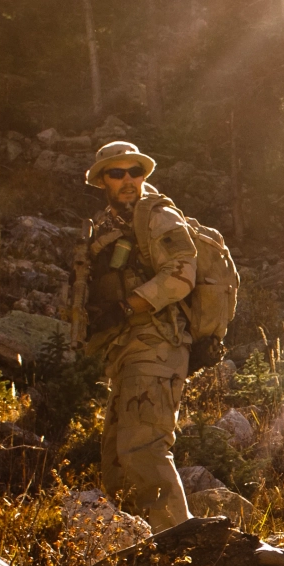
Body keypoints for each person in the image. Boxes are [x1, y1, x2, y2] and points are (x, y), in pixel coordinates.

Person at [68, 140, 198, 531]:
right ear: (101, 180)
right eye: (116, 173)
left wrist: (128, 305)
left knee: (144, 451)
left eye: (134, 172)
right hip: (124, 350)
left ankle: (183, 548)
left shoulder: (157, 216)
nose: (127, 180)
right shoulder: (104, 225)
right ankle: (141, 555)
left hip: (157, 343)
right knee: (116, 461)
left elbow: (182, 275)